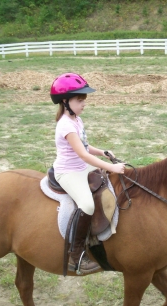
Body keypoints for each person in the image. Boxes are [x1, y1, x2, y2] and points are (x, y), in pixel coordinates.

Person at [50, 73, 125, 274]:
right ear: (65, 102)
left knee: (110, 182)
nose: (84, 104)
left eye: (84, 100)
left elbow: (85, 146)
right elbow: (83, 155)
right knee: (87, 204)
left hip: (81, 167)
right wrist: (112, 167)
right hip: (68, 172)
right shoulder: (65, 125)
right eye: (79, 100)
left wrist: (102, 152)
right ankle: (76, 255)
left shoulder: (76, 119)